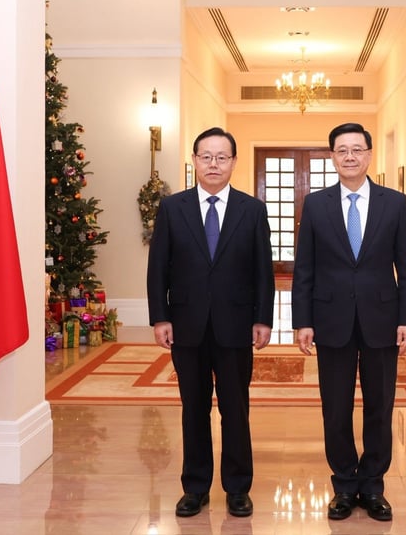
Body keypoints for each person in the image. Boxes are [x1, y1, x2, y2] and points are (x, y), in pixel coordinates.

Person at [292, 122, 406, 522]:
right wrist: (303, 321)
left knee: (381, 406)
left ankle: (373, 485)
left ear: (368, 155)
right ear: (332, 157)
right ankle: (344, 486)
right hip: (330, 320)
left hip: (383, 318)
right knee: (336, 406)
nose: (349, 156)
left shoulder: (394, 203)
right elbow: (305, 268)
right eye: (341, 150)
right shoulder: (315, 204)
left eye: (357, 149)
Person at [147, 126, 275, 518]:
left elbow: (262, 272)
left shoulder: (252, 210)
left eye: (222, 157)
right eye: (207, 156)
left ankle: (238, 489)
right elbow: (158, 269)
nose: (214, 164)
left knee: (236, 409)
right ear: (195, 160)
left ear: (234, 162)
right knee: (193, 408)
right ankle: (195, 487)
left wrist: (263, 319)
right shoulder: (172, 208)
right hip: (186, 324)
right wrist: (160, 317)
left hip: (237, 325)